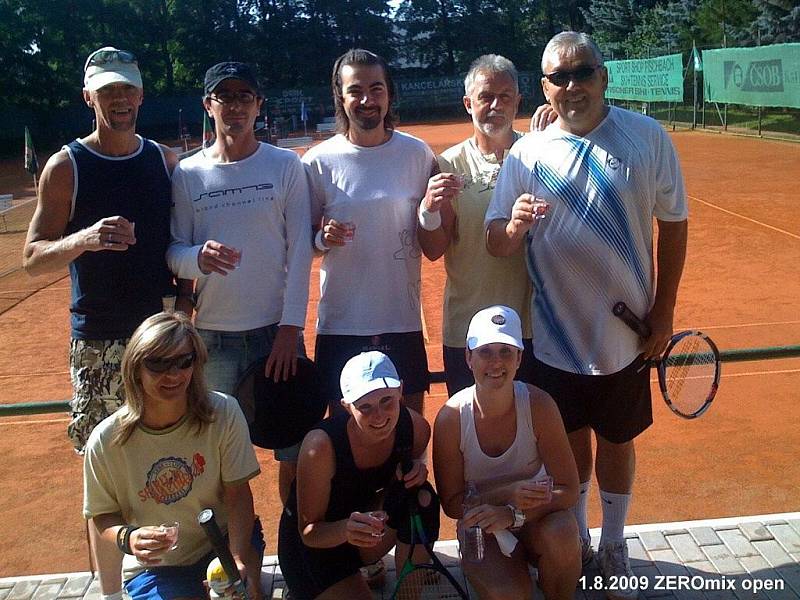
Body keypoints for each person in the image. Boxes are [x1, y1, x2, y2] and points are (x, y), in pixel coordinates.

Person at [486, 31, 689, 598]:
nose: (570, 86)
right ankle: (577, 539)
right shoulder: (527, 153)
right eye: (558, 77)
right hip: (555, 338)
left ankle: (615, 542)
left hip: (626, 339)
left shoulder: (646, 137)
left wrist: (666, 308)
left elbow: (674, 223)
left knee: (618, 443)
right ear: (545, 85)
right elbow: (496, 239)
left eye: (581, 73)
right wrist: (517, 223)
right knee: (570, 446)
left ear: (604, 76)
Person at [22, 46, 183, 455]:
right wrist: (84, 239)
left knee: (167, 454)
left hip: (159, 335)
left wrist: (187, 301)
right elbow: (32, 258)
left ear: (141, 95)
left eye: (128, 89)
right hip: (98, 341)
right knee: (104, 462)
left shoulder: (165, 162)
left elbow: (184, 239)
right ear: (88, 97)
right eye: (107, 90)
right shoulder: (65, 167)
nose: (120, 98)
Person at [166, 62, 313, 504]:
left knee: (294, 451)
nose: (235, 106)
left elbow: (301, 251)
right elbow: (174, 251)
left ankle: (297, 547)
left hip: (276, 336)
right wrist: (198, 258)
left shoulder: (286, 166)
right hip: (212, 341)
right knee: (222, 461)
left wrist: (291, 328)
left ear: (258, 105)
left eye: (244, 96)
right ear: (208, 105)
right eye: (224, 97)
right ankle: (238, 556)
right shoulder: (188, 174)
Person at [83, 311, 264, 600]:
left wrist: (237, 559)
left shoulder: (224, 412)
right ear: (135, 368)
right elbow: (102, 516)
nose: (174, 375)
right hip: (155, 567)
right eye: (158, 364)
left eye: (184, 361)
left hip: (224, 544)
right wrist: (127, 539)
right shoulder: (106, 440)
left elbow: (238, 495)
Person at [302, 49, 436, 416]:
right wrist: (321, 239)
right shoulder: (317, 162)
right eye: (355, 90)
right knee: (344, 438)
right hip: (341, 324)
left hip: (401, 320)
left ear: (389, 93)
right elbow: (305, 243)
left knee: (408, 431)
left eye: (376, 88)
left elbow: (432, 233)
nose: (367, 100)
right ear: (340, 97)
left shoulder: (418, 155)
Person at [433, 305, 581, 599]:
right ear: (468, 357)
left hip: (535, 519)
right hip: (480, 528)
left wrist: (512, 515)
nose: (496, 362)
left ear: (519, 359)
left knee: (564, 534)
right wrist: (509, 493)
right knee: (511, 595)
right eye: (486, 351)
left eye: (506, 351)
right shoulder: (451, 418)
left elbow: (570, 489)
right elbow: (451, 504)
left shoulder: (540, 406)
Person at [416, 54, 536, 397]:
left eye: (505, 96)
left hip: (531, 329)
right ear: (469, 103)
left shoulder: (540, 152)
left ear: (518, 102)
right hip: (467, 328)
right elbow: (434, 248)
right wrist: (429, 210)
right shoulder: (448, 164)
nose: (495, 105)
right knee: (468, 431)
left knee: (533, 431)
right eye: (486, 97)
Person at [278, 351, 434, 599]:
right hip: (316, 546)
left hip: (364, 534)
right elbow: (309, 532)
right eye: (365, 407)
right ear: (346, 407)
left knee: (422, 497)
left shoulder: (416, 429)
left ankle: (408, 594)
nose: (379, 416)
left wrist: (414, 471)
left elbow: (398, 490)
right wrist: (345, 530)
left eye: (386, 400)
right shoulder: (320, 447)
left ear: (401, 390)